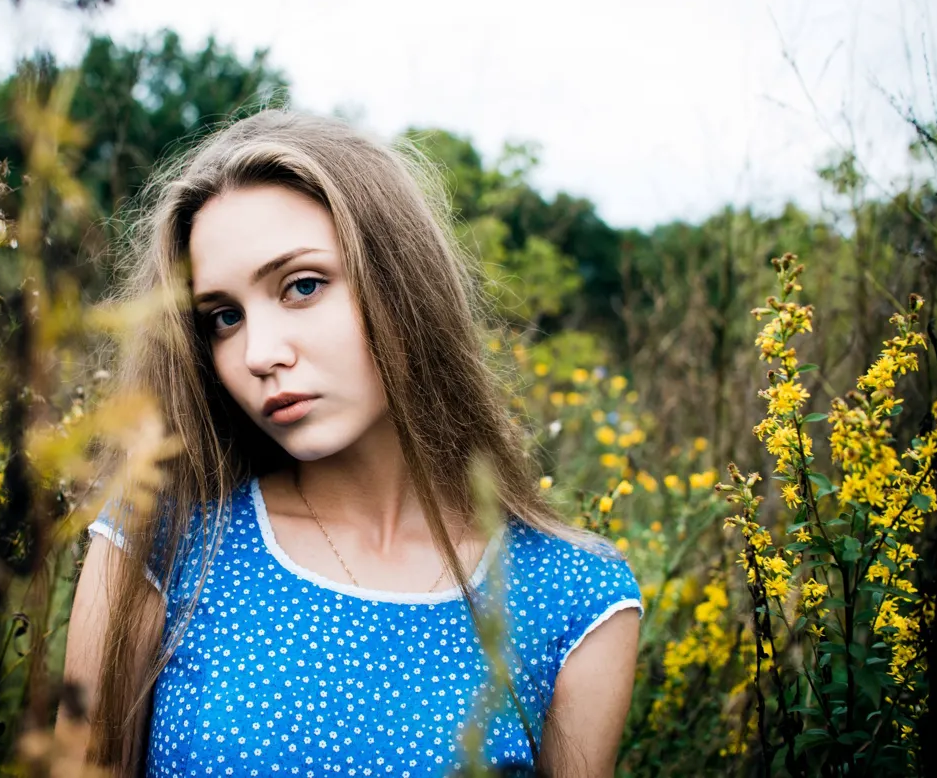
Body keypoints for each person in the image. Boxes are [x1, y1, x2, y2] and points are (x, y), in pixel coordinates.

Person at [58, 109, 642, 777]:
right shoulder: (163, 538)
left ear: (402, 282)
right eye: (224, 317)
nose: (259, 354)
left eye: (302, 286)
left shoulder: (573, 596)